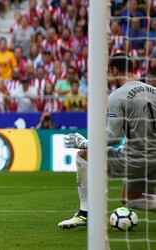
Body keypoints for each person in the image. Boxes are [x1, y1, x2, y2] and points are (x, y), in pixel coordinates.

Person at [58, 53, 156, 229]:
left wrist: (85, 143)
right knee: (129, 199)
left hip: (135, 159)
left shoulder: (117, 96)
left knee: (83, 156)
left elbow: (113, 137)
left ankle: (84, 213)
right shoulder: (154, 91)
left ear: (114, 70)